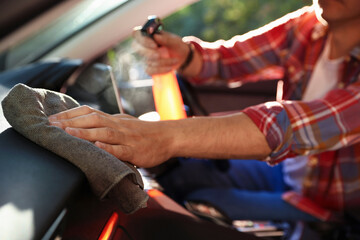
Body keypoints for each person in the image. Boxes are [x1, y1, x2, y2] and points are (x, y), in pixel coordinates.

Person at [48, 0, 360, 236]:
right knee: (181, 176)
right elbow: (228, 60)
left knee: (199, 207)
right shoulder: (308, 26)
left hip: (333, 209)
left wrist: (164, 137)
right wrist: (183, 55)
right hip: (285, 172)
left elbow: (290, 126)